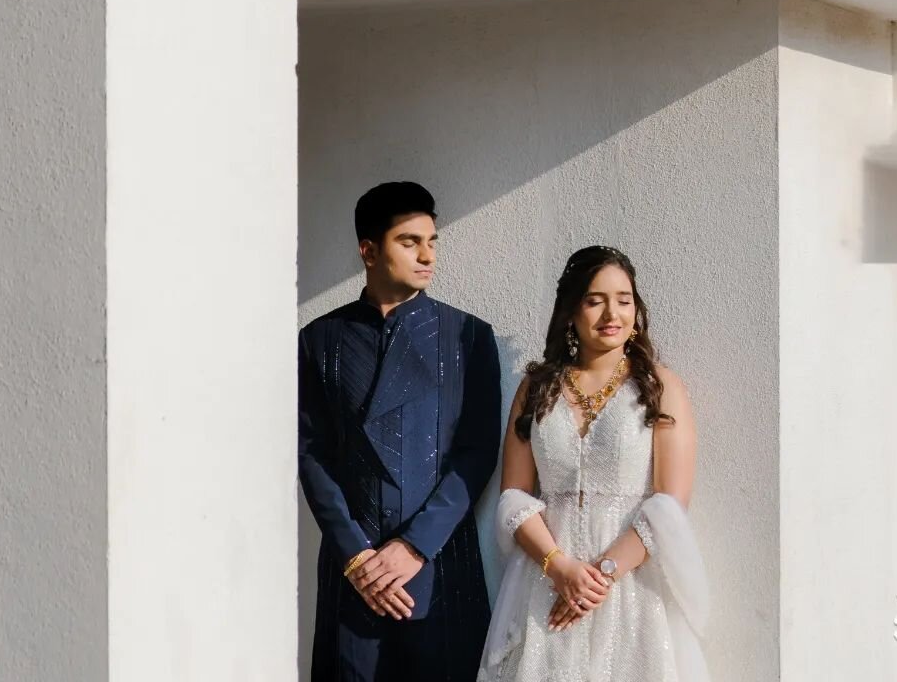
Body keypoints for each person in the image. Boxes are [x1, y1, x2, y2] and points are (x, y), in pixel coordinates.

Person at [299, 180, 501, 681]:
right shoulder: (319, 340)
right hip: (356, 566)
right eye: (409, 242)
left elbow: (476, 453)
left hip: (437, 559)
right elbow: (309, 452)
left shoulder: (467, 336)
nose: (426, 255)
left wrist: (413, 547)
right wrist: (357, 557)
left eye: (432, 241)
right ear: (368, 250)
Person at [478, 245, 710, 682]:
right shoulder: (536, 387)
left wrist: (600, 577)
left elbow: (670, 504)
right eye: (595, 300)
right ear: (571, 309)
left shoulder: (661, 386)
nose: (612, 313)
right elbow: (513, 496)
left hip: (631, 585)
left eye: (624, 300)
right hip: (546, 580)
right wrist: (559, 568)